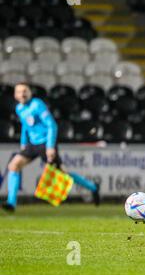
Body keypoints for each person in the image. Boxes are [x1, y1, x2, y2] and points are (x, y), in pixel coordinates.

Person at [2, 82, 100, 212]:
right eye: (19, 92)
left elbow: (52, 125)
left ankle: (93, 187)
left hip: (45, 143)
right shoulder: (19, 108)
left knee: (64, 173)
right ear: (15, 95)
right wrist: (23, 143)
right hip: (32, 144)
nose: (22, 94)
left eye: (25, 91)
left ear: (30, 92)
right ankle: (11, 203)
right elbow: (26, 126)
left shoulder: (37, 105)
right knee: (14, 165)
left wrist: (50, 147)